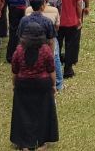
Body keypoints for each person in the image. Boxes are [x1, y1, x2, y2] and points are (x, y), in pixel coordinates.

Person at [10, 16, 59, 150]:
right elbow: (51, 70)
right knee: (43, 112)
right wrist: (53, 85)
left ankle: (23, 143)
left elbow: (15, 70)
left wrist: (15, 85)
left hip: (23, 84)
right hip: (42, 84)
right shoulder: (45, 50)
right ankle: (42, 142)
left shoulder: (19, 50)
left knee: (23, 113)